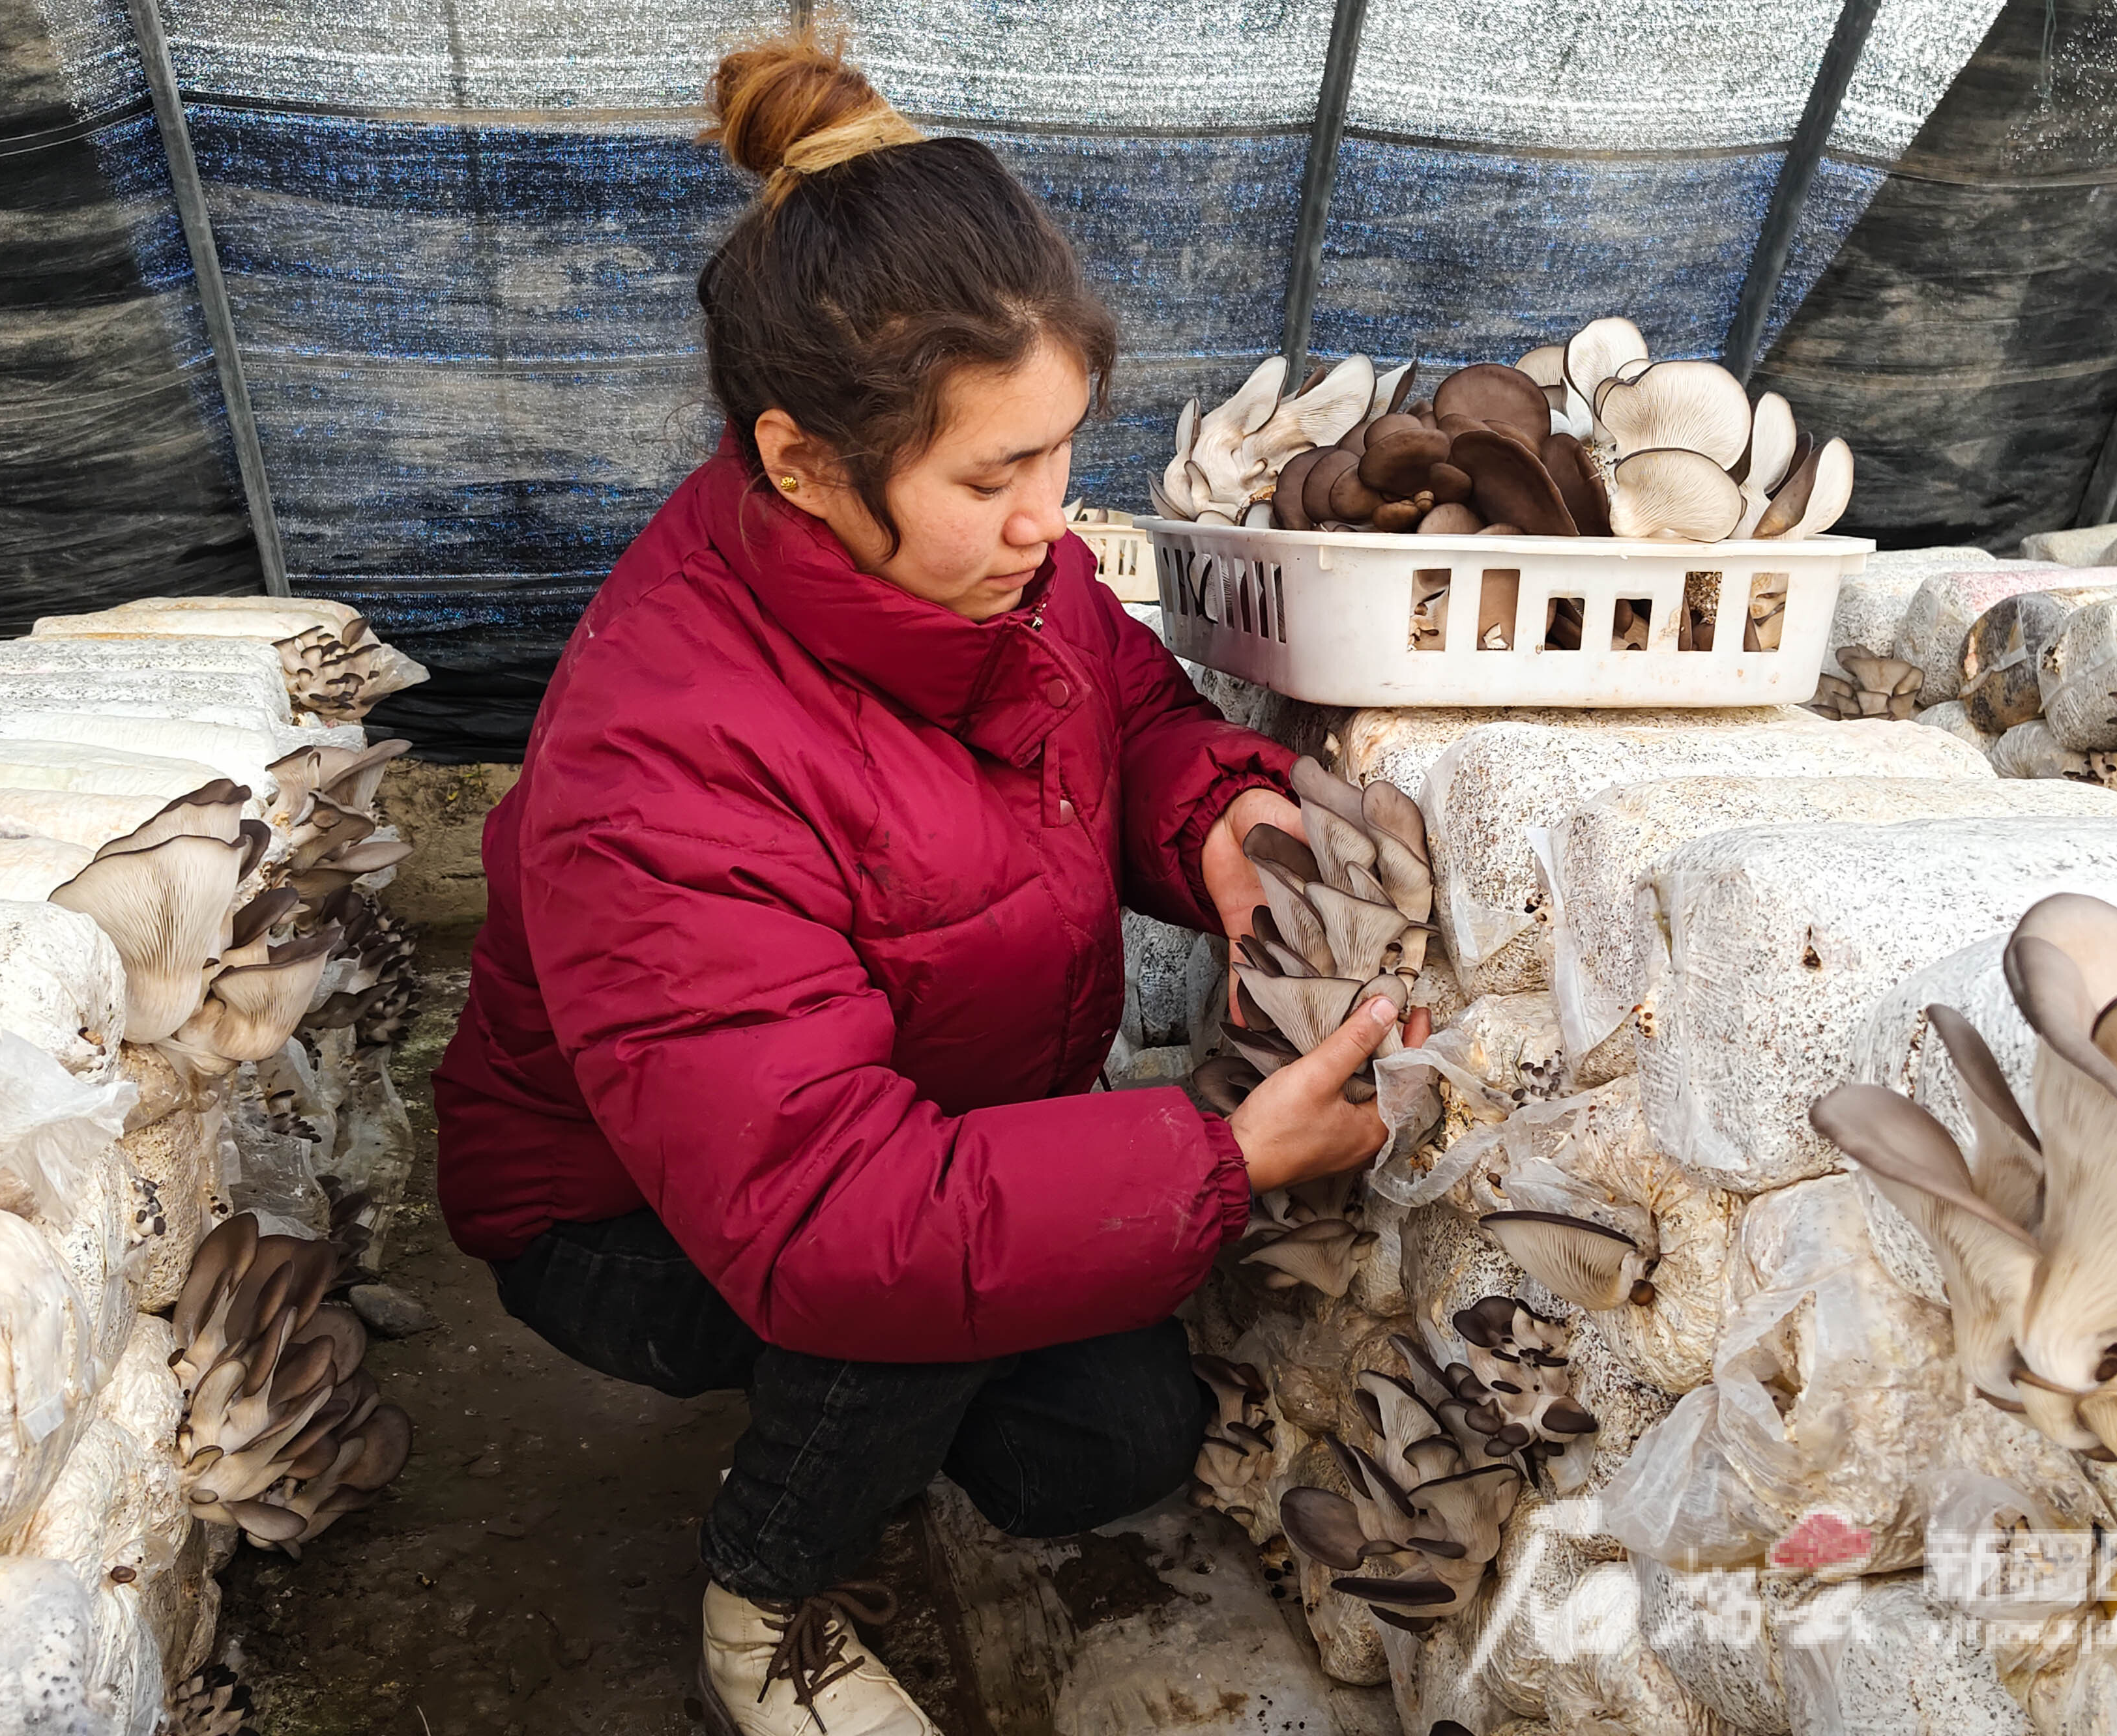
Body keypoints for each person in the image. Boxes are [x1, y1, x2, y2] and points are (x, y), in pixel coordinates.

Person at [432, 35, 1420, 1736]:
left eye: (1059, 453)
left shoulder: (990, 579)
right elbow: (831, 1209)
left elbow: (1120, 705)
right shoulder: (667, 760)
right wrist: (1221, 1159)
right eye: (991, 478)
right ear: (801, 460)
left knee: (1106, 1443)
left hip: (906, 1125)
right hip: (620, 1218)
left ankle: (868, 1416)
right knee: (901, 1285)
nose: (1051, 517)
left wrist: (1222, 836)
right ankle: (769, 1596)